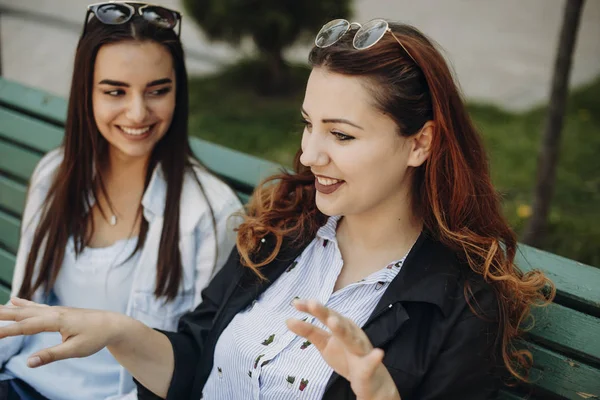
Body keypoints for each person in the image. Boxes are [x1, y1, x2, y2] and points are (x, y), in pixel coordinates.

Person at [0, 18, 554, 400]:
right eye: (309, 124)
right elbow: (193, 358)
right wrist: (116, 330)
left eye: (340, 134)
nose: (310, 154)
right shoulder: (287, 226)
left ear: (420, 143)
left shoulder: (462, 305)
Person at [0, 2, 242, 400]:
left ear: (177, 92)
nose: (137, 112)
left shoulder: (210, 215)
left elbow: (199, 362)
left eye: (157, 91)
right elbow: (22, 305)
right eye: (115, 91)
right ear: (86, 92)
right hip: (22, 381)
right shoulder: (54, 175)